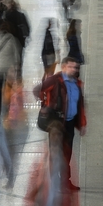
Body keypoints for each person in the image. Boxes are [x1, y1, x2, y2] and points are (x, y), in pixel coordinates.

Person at [38, 56, 87, 191]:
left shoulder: (77, 83)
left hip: (70, 123)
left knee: (67, 153)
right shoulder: (55, 80)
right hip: (56, 124)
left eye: (76, 67)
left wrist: (82, 123)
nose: (74, 70)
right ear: (64, 67)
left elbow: (79, 105)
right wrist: (46, 106)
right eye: (71, 67)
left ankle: (65, 182)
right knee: (55, 154)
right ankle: (54, 183)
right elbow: (39, 90)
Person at [0, 21, 21, 116]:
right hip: (9, 68)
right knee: (8, 87)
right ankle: (7, 105)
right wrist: (17, 66)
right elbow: (17, 55)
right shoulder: (13, 40)